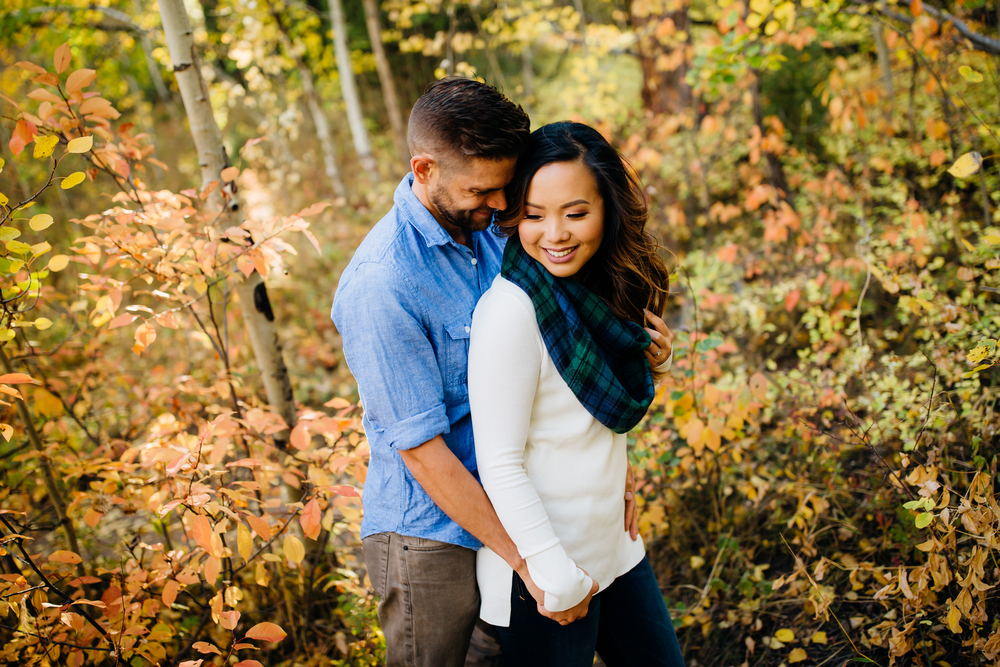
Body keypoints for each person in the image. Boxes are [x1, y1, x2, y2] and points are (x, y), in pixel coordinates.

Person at [467, 121, 686, 667]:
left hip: (615, 546)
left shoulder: (590, 289)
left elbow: (588, 413)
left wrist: (652, 360)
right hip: (549, 575)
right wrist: (554, 574)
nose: (555, 234)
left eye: (576, 213)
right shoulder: (510, 313)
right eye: (534, 215)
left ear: (608, 209)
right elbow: (500, 462)